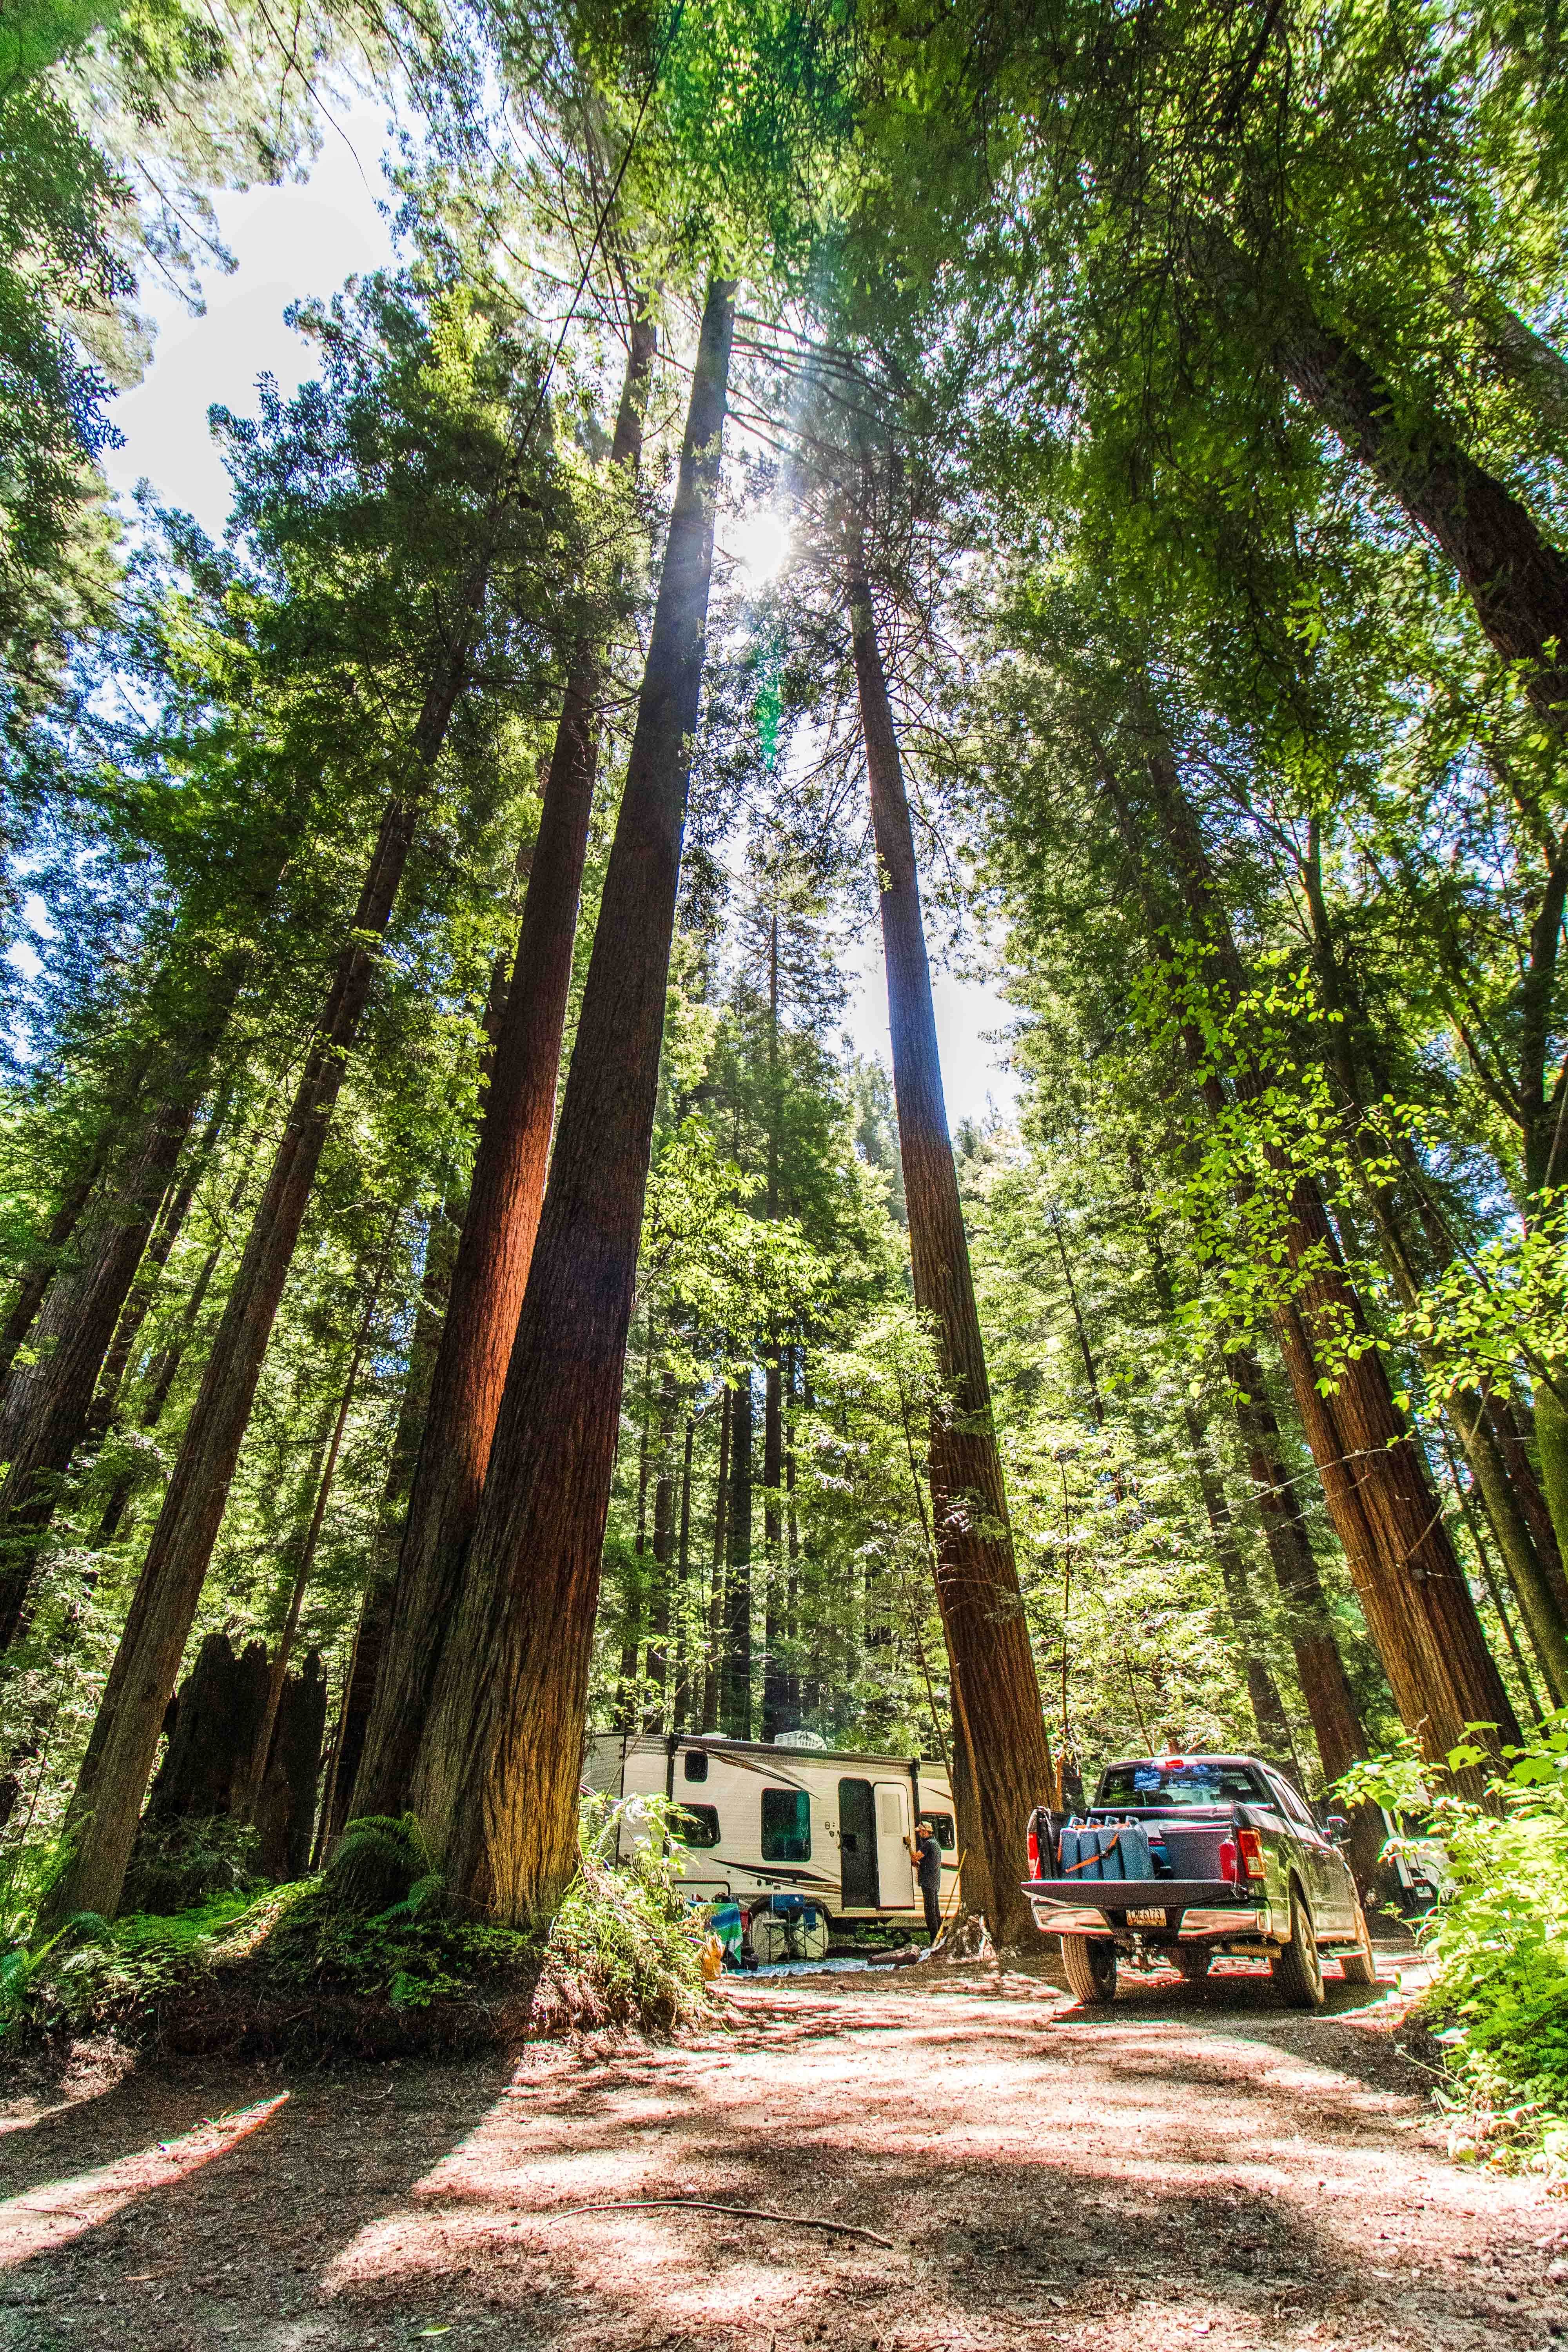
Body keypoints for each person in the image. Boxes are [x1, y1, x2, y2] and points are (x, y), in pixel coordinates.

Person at [907, 1816, 944, 1944]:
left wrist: (909, 1845)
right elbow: (928, 1863)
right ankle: (939, 1939)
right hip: (934, 1881)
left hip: (928, 1882)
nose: (920, 1834)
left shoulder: (928, 1844)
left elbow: (915, 1857)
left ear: (926, 1832)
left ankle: (934, 1940)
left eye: (921, 1832)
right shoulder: (936, 1844)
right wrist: (918, 1865)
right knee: (936, 1911)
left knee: (930, 1913)